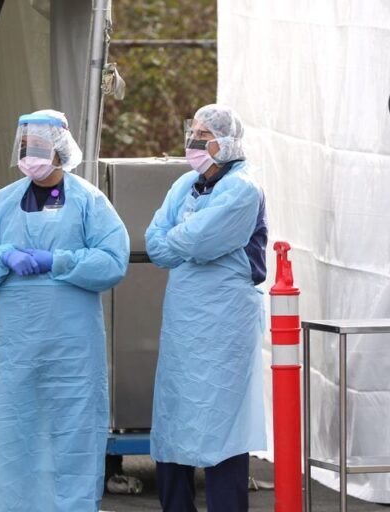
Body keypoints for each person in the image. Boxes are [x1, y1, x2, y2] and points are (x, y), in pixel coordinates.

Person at [0, 110, 130, 511]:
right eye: (24, 146)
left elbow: (113, 261)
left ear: (59, 149)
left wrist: (58, 261)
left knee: (71, 434)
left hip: (72, 353)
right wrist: (3, 255)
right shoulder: (4, 202)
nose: (29, 154)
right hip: (18, 348)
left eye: (37, 145)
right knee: (11, 432)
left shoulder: (89, 201)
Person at [145, 104, 268, 512]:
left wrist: (181, 240)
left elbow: (199, 242)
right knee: (175, 415)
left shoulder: (242, 189)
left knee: (222, 424)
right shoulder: (185, 184)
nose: (194, 141)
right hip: (183, 320)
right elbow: (155, 242)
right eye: (193, 133)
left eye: (204, 135)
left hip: (225, 320)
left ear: (227, 141)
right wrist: (185, 240)